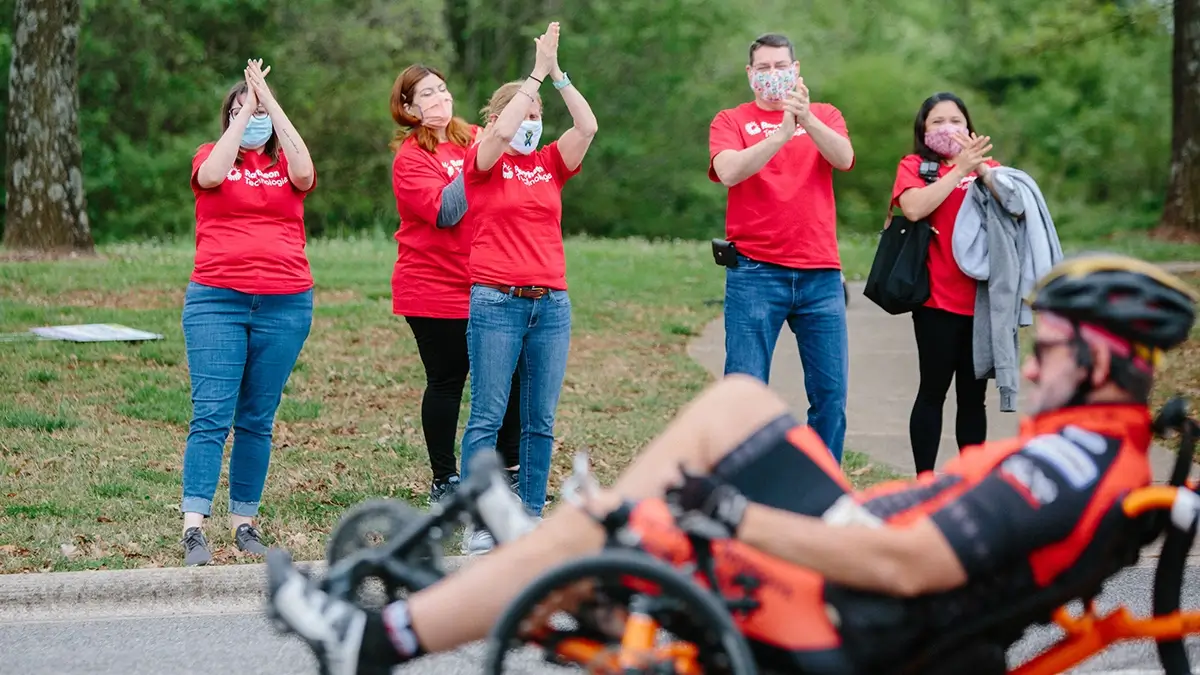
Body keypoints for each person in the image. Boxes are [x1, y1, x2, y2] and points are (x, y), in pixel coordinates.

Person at [262, 253, 1198, 674]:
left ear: (1104, 363)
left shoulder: (1073, 464)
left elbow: (912, 566)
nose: (1028, 362)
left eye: (1050, 349)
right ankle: (562, 546)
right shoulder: (1096, 450)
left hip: (859, 604)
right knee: (742, 401)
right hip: (868, 554)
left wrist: (733, 514)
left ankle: (376, 639)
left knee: (616, 525)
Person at [455, 21, 598, 554]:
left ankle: (531, 517)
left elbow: (587, 125)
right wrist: (531, 77)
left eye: (537, 119)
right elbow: (494, 140)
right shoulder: (482, 163)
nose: (532, 125)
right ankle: (480, 520)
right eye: (524, 116)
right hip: (496, 301)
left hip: (550, 304)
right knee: (488, 416)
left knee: (540, 419)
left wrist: (557, 75)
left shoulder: (550, 165)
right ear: (499, 119)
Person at [180, 59, 316, 566]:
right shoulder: (210, 157)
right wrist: (244, 112)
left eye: (256, 111)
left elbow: (304, 170)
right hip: (217, 300)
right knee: (211, 414)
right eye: (239, 110)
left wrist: (269, 102)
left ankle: (245, 521)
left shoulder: (285, 167)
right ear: (228, 119)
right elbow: (213, 173)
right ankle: (194, 526)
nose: (252, 117)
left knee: (257, 418)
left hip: (285, 303)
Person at [708, 32, 856, 463]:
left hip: (820, 274)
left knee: (830, 393)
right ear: (751, 74)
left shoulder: (824, 114)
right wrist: (779, 136)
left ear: (796, 71)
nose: (773, 75)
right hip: (756, 273)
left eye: (781, 67)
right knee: (744, 389)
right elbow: (729, 171)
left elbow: (844, 157)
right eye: (764, 68)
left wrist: (806, 120)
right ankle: (742, 484)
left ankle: (823, 485)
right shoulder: (730, 119)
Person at [388, 63, 524, 504]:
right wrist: (478, 158)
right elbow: (447, 212)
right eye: (426, 95)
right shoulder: (412, 156)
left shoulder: (469, 137)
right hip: (432, 285)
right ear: (407, 108)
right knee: (448, 380)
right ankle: (444, 479)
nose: (439, 100)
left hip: (486, 280)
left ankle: (509, 470)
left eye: (442, 90)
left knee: (507, 377)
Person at [891, 92, 1000, 474]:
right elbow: (914, 207)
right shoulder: (915, 166)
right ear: (923, 129)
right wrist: (957, 169)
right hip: (936, 302)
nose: (948, 128)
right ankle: (924, 481)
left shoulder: (988, 168)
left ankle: (970, 482)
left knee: (974, 399)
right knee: (932, 392)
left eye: (956, 120)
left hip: (981, 304)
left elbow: (1015, 208)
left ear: (969, 127)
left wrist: (981, 168)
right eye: (937, 121)